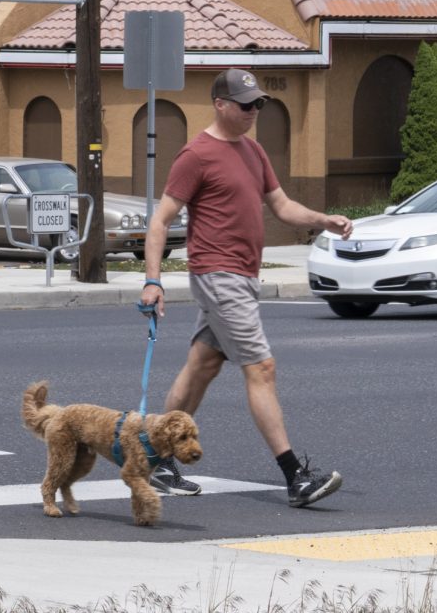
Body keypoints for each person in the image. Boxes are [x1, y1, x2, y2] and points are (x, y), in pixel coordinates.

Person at [138, 68, 349, 507]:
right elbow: (161, 220)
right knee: (262, 368)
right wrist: (153, 280)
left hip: (243, 277)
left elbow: (282, 206)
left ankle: (155, 461)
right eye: (245, 104)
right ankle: (295, 476)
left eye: (257, 104)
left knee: (202, 366)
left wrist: (323, 221)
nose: (254, 111)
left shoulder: (253, 151)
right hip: (219, 275)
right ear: (220, 105)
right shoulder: (196, 155)